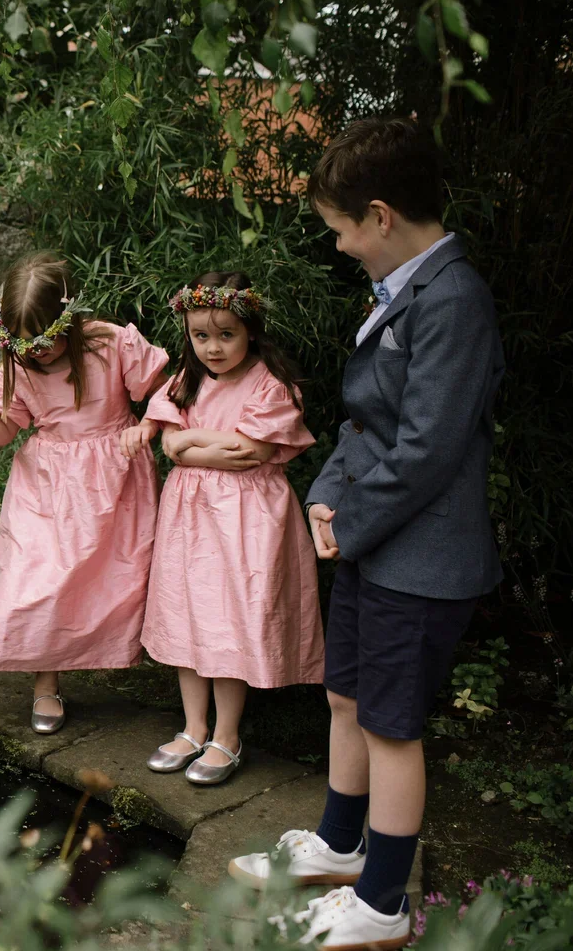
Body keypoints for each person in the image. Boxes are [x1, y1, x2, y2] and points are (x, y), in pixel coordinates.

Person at [229, 117, 505, 951]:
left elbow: (428, 448)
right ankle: (340, 847)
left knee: (389, 724)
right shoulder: (408, 288)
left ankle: (383, 903)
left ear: (380, 215)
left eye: (342, 229)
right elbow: (368, 423)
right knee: (348, 695)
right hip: (376, 539)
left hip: (420, 559)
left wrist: (350, 522)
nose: (341, 246)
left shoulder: (453, 298)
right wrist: (329, 499)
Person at [0, 251, 170, 784]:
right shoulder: (17, 363)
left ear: (73, 318)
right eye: (24, 343)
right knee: (20, 590)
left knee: (77, 586)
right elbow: (7, 428)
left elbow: (165, 395)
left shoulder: (110, 344)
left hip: (112, 482)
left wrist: (148, 429)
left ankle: (45, 684)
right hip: (46, 486)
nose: (36, 352)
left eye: (46, 340)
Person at [140, 273, 324, 787]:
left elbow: (253, 454)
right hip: (190, 516)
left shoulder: (270, 384)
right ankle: (192, 726)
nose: (212, 347)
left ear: (251, 331)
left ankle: (227, 734)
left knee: (227, 618)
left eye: (226, 335)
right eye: (201, 336)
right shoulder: (186, 378)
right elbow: (170, 445)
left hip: (244, 519)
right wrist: (204, 445)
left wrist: (193, 437)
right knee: (188, 613)